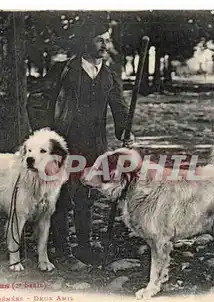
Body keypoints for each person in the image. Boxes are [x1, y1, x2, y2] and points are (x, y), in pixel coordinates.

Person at [26, 21, 134, 270]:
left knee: (88, 197)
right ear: (86, 41)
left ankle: (84, 247)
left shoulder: (108, 75)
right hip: (65, 145)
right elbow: (37, 99)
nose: (105, 45)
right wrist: (45, 134)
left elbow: (119, 107)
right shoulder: (64, 71)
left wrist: (124, 131)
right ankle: (62, 250)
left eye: (107, 40)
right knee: (63, 197)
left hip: (94, 147)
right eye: (99, 39)